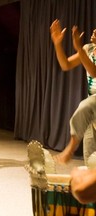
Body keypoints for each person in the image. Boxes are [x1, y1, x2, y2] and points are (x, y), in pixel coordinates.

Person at [50, 19, 96, 165]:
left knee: (84, 106)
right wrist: (58, 44)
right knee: (90, 160)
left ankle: (69, 150)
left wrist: (79, 49)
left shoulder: (84, 50)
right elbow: (66, 64)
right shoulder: (88, 48)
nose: (94, 31)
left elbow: (94, 72)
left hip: (92, 104)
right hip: (93, 110)